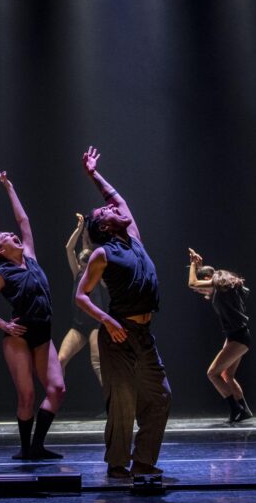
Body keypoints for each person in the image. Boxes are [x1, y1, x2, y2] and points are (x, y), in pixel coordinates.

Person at [75, 146, 171, 479]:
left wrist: (93, 174)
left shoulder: (134, 239)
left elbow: (118, 199)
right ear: (104, 226)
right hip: (119, 335)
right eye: (107, 211)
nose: (114, 208)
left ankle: (143, 460)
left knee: (161, 396)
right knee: (123, 402)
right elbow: (81, 296)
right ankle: (117, 465)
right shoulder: (102, 254)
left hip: (144, 334)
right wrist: (107, 320)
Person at [0, 170, 65, 461]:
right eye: (8, 238)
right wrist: (4, 324)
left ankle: (37, 446)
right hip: (19, 336)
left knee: (57, 388)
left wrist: (9, 188)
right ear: (2, 249)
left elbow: (24, 221)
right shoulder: (3, 272)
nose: (15, 236)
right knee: (26, 395)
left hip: (43, 331)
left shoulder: (30, 258)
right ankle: (26, 450)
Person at [187, 248, 252, 423]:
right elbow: (199, 283)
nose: (200, 291)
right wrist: (199, 266)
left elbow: (192, 283)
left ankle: (235, 408)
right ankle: (244, 410)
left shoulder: (220, 288)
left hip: (239, 337)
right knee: (226, 375)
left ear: (209, 279)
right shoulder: (221, 291)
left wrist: (193, 265)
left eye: (202, 287)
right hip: (235, 336)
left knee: (212, 373)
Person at [58, 213, 108, 386]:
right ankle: (56, 396)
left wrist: (88, 233)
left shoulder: (98, 276)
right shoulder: (77, 274)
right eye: (80, 263)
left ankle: (112, 399)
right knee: (60, 360)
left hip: (96, 325)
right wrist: (80, 229)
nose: (81, 266)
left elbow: (90, 251)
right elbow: (69, 248)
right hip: (78, 326)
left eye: (84, 263)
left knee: (97, 362)